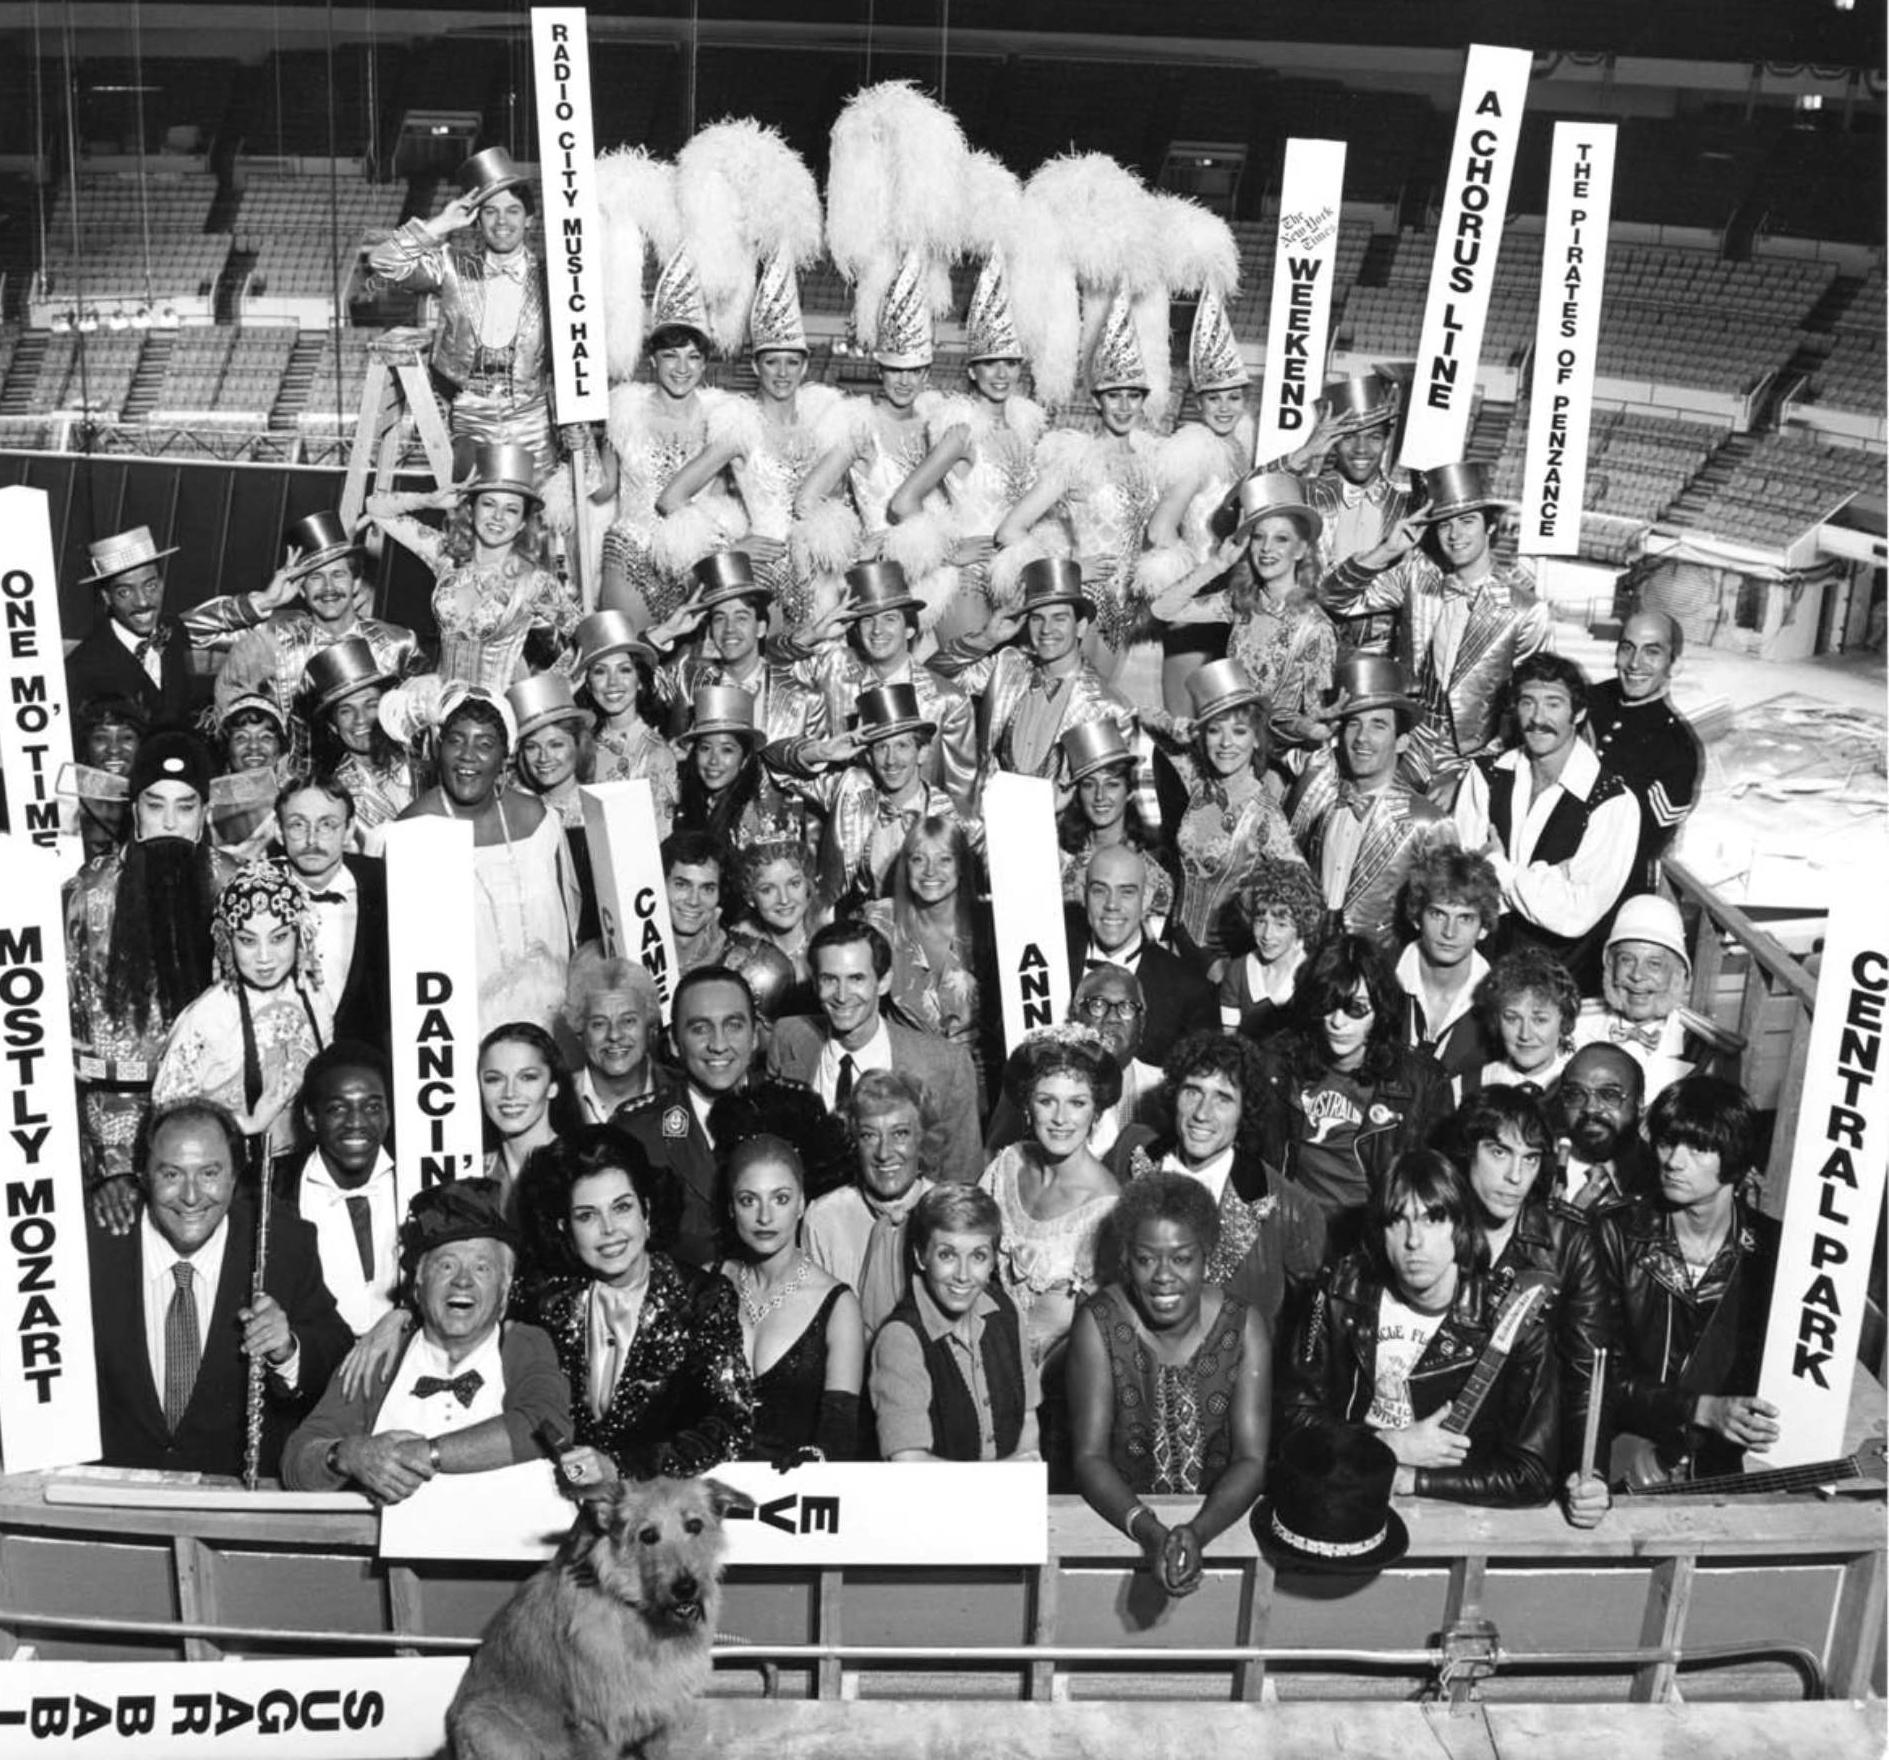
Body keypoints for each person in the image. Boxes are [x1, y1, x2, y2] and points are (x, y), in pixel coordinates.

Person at [89, 1098, 350, 1477]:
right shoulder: (93, 1243)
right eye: (171, 1175)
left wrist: (287, 1348)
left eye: (209, 1173)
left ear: (234, 1176)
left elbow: (335, 1352)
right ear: (142, 1176)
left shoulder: (283, 1243)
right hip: (110, 1501)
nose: (192, 1197)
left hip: (232, 1506)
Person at [1280, 1149, 1557, 1507]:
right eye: (1398, 1221)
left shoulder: (1508, 1318)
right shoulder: (1338, 1296)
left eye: (1431, 1219)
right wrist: (1388, 1444)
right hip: (1350, 1497)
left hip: (1458, 1513)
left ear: (1458, 1227)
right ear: (1380, 1233)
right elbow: (1293, 1423)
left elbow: (1532, 1475)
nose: (1414, 1241)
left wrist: (1415, 1479)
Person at [281, 1178, 572, 1499]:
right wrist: (348, 1455)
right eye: (446, 1265)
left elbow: (545, 1425)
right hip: (392, 1546)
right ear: (418, 1282)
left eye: (482, 1268)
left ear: (503, 1291)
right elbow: (297, 1461)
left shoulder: (521, 1344)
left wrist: (427, 1454)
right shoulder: (380, 1357)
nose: (463, 1281)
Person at [1068, 1171, 1270, 1599]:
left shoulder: (1244, 1324)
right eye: (1146, 1259)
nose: (1163, 1276)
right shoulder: (1099, 1323)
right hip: (1116, 1532)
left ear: (1207, 1257)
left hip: (1223, 1534)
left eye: (1181, 1259)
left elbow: (1252, 1459)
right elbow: (1088, 1457)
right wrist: (1150, 1532)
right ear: (1127, 1259)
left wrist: (1197, 1533)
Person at [65, 729, 236, 1227]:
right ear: (133, 810)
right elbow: (74, 1040)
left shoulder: (237, 887)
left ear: (205, 813)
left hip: (223, 1138)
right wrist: (107, 1169)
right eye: (154, 805)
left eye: (185, 808)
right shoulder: (87, 898)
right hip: (117, 1137)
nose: (168, 822)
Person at [523, 1126, 754, 1484]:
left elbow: (731, 1424)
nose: (609, 1229)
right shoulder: (544, 1300)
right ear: (564, 1227)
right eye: (586, 1216)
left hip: (657, 1512)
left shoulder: (702, 1297)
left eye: (622, 1207)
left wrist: (621, 1467)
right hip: (555, 1508)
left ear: (646, 1211)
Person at [1588, 1077, 1781, 1502]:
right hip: (1623, 1464)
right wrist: (1699, 1409)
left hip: (1729, 1475)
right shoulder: (1615, 1235)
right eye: (1667, 1143)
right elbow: (1596, 1374)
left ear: (1734, 1158)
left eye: (1697, 1148)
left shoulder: (1773, 1252)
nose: (1673, 1161)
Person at [1319, 460, 1553, 793]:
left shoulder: (1525, 610)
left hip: (1472, 757)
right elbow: (1333, 597)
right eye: (1445, 525)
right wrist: (1387, 550)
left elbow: (1526, 708)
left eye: (1467, 522)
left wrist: (1470, 776)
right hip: (1407, 740)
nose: (1455, 535)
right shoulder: (1417, 574)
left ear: (1490, 527)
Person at [654, 254, 855, 631]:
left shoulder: (822, 428)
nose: (782, 373)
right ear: (754, 367)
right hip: (766, 579)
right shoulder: (740, 429)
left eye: (792, 363)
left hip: (822, 575)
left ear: (806, 367)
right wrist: (728, 548)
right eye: (772, 362)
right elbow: (671, 499)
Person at [1437, 1086, 1614, 1512]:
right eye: (1499, 1153)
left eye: (1530, 1158)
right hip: (1433, 1443)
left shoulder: (1568, 1242)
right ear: (1468, 1151)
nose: (1516, 1177)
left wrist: (1589, 1476)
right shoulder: (1429, 1222)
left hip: (1522, 1464)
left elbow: (1586, 1375)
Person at [612, 965, 837, 1270]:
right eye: (700, 1028)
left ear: (755, 1037)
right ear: (675, 1044)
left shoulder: (796, 1111)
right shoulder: (638, 1131)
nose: (718, 1044)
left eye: (733, 1025)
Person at [994, 289, 1162, 679]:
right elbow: (1009, 531)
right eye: (1114, 396)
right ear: (1098, 401)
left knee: (1108, 708)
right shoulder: (1075, 459)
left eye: (1132, 396)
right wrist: (1067, 570)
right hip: (1087, 602)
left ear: (1143, 401)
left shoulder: (1154, 462)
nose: (1123, 406)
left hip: (1132, 607)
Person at [1452, 653, 1640, 992]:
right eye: (1528, 703)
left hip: (1557, 988)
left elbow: (1575, 916)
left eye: (1553, 704)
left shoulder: (1613, 802)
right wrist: (1548, 880)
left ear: (1578, 713)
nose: (1538, 718)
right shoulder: (1484, 777)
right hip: (1477, 977)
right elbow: (1465, 889)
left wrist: (1498, 866)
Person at [888, 252, 1048, 647]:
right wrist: (946, 551)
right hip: (969, 583)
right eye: (990, 364)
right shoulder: (961, 432)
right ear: (973, 370)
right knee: (967, 681)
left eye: (1009, 364)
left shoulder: (1027, 433)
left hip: (1015, 580)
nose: (1001, 374)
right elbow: (904, 501)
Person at [398, 685, 579, 1034]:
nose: (468, 756)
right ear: (438, 748)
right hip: (460, 1036)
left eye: (484, 744)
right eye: (456, 741)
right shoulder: (413, 832)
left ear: (505, 756)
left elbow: (569, 931)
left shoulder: (540, 821)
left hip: (549, 1026)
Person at [1127, 1030, 1328, 1335]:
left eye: (1223, 1098)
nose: (1202, 1113)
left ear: (1244, 1111)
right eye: (1193, 1091)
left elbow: (1306, 1332)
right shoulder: (1128, 1157)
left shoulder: (1293, 1211)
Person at [367, 146, 554, 469]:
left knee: (535, 510)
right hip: (467, 413)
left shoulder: (551, 278)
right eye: (490, 211)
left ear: (530, 221)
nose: (502, 221)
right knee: (466, 511)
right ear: (477, 221)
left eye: (512, 210)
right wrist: (440, 224)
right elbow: (383, 260)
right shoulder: (453, 265)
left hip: (531, 417)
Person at [1247, 934, 1451, 1224]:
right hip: (1290, 1228)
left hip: (1374, 1236)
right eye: (1327, 1005)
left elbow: (1437, 1188)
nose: (1338, 1022)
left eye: (1356, 1009)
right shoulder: (1276, 1064)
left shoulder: (1421, 1081)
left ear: (1380, 1010)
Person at [769, 919, 982, 1185]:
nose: (842, 996)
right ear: (815, 983)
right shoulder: (789, 1037)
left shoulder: (946, 1064)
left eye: (856, 978)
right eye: (829, 979)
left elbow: (962, 1182)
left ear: (883, 982)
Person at [152, 857, 332, 1167]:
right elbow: (166, 1120)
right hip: (232, 1175)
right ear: (227, 942)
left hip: (307, 1168)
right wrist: (247, 1123)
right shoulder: (209, 1016)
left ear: (300, 935)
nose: (264, 957)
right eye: (248, 941)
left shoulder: (315, 995)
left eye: (279, 938)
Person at [1151, 473, 1337, 769]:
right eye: (1259, 537)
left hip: (1277, 760)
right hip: (1229, 747)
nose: (1266, 549)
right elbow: (1163, 609)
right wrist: (1217, 564)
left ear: (1300, 550)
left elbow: (1314, 721)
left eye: (1281, 539)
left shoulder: (1316, 627)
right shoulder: (1240, 603)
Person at [366, 444, 581, 693]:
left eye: (511, 509)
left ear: (522, 523)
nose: (498, 517)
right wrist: (430, 500)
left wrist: (540, 694)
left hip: (495, 720)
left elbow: (589, 638)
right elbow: (375, 508)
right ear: (471, 508)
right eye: (489, 504)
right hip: (441, 713)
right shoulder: (445, 555)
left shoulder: (534, 582)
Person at [212, 511, 421, 761]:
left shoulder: (398, 643)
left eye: (338, 575)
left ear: (356, 583)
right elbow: (189, 632)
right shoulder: (272, 639)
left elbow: (420, 723)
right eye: (315, 578)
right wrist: (265, 600)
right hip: (292, 786)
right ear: (300, 588)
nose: (328, 588)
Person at [595, 273, 743, 627]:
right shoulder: (624, 411)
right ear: (653, 360)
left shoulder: (723, 419)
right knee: (630, 656)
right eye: (671, 356)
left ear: (704, 364)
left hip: (696, 563)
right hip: (631, 556)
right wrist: (582, 441)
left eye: (693, 357)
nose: (682, 368)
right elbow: (602, 489)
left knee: (693, 669)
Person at [775, 562, 979, 817]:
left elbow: (962, 797)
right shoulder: (833, 668)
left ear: (910, 629)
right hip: (841, 833)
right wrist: (813, 635)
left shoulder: (948, 700)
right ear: (856, 630)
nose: (877, 630)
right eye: (867, 620)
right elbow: (765, 671)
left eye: (889, 619)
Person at [929, 558, 1136, 806]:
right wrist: (986, 638)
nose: (1046, 629)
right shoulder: (1007, 665)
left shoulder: (1111, 708)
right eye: (1038, 618)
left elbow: (1107, 797)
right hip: (990, 824)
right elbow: (930, 680)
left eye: (1059, 618)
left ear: (1080, 627)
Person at [978, 1029, 1124, 1368]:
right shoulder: (1007, 1165)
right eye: (1047, 1101)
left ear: (1096, 1111)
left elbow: (1100, 1340)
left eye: (1077, 1102)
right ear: (1028, 1106)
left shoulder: (1107, 1210)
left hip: (1054, 1385)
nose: (1061, 1119)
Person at [1286, 654, 1454, 948]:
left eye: (1378, 725)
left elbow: (1442, 920)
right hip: (1311, 962)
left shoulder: (1429, 823)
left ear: (1401, 741)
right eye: (1354, 724)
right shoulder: (1320, 794)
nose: (1362, 737)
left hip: (1380, 975)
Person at [1137, 287, 1251, 715]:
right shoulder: (1194, 451)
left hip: (1230, 602)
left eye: (1233, 397)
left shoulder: (1240, 448)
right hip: (1196, 603)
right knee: (1184, 722)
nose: (1224, 407)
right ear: (1199, 401)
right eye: (1214, 398)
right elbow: (1159, 529)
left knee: (1222, 720)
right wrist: (1197, 571)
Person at [869, 1184, 1043, 1463]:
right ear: (921, 1256)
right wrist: (1006, 1476)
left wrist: (1021, 1475)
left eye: (978, 1256)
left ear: (992, 1262)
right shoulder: (901, 1338)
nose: (963, 1275)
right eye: (947, 1255)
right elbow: (908, 1463)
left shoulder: (1004, 1311)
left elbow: (1028, 1419)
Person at [1153, 659, 1307, 971]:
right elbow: (1146, 722)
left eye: (1239, 731)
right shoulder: (1199, 784)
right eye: (1214, 731)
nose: (1225, 743)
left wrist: (1258, 945)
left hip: (1223, 966)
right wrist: (1180, 729)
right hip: (1178, 948)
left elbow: (1303, 892)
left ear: (1257, 740)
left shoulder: (1264, 815)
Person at [63, 526, 293, 735]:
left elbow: (211, 619)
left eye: (150, 586)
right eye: (125, 592)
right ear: (106, 598)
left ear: (162, 584)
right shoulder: (81, 666)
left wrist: (266, 600)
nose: (142, 601)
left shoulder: (171, 631)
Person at [719, 1136, 864, 1463]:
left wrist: (814, 1461)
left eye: (780, 1199)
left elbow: (839, 1435)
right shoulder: (706, 1285)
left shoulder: (838, 1306)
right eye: (748, 1200)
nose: (765, 1217)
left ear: (801, 1204)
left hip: (795, 1498)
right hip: (704, 1495)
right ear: (731, 1207)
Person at [768, 682, 961, 911]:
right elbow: (774, 761)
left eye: (902, 745)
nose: (891, 760)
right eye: (881, 748)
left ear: (922, 752)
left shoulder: (945, 814)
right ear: (868, 757)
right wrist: (822, 751)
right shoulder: (852, 791)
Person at [1268, 372, 1416, 657]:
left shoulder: (1407, 507)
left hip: (1380, 659)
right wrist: (1306, 452)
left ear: (1387, 440)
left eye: (1373, 437)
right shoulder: (1305, 495)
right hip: (1303, 646)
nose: (1361, 449)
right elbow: (1249, 500)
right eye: (1350, 438)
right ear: (1333, 440)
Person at [982, 965, 1167, 1176]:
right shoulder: (1035, 1080)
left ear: (1142, 1023)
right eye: (1097, 1005)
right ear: (1075, 1016)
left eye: (1126, 1008)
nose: (1112, 1018)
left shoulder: (1163, 1087)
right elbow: (996, 1162)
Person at [645, 552, 830, 761]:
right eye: (719, 618)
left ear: (761, 628)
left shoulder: (805, 699)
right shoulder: (685, 678)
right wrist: (665, 632)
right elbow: (623, 675)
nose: (729, 629)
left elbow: (819, 782)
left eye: (741, 618)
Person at [862, 816, 995, 1102]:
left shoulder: (990, 924)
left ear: (961, 866)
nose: (930, 871)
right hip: (904, 1084)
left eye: (944, 859)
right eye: (918, 859)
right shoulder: (881, 920)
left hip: (981, 1086)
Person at [804, 1069, 941, 1334]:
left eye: (899, 1133)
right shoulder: (824, 1218)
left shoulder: (945, 1211)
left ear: (922, 1137)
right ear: (854, 1141)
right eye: (869, 1135)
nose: (884, 1152)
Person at [284, 1041, 400, 1337]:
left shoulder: (417, 1180)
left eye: (372, 1107)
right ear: (311, 1118)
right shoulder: (272, 1189)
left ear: (388, 1113)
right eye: (338, 1108)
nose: (357, 1122)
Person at [1065, 844, 1215, 1068]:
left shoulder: (1190, 991)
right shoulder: (1050, 960)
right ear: (1083, 894)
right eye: (1100, 890)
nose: (1112, 905)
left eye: (1126, 892)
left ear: (1146, 899)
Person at [1587, 609, 1703, 899]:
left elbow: (1644, 843)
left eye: (1652, 652)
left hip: (1614, 886)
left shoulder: (1678, 749)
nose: (1634, 663)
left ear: (1674, 665)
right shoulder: (1590, 700)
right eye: (1627, 648)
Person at [1570, 894, 1725, 1103]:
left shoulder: (1700, 1048)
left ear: (1679, 974)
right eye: (1626, 960)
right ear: (1610, 964)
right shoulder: (1572, 1026)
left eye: (1654, 964)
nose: (1637, 975)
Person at [278, 773, 391, 1047]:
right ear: (279, 832)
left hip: (365, 1066)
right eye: (297, 825)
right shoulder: (256, 889)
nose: (312, 839)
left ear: (350, 830)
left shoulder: (386, 885)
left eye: (327, 825)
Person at [1394, 845, 1500, 1095]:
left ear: (1483, 927)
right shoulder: (1381, 979)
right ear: (1417, 916)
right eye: (1438, 914)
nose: (1449, 932)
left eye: (1465, 918)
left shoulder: (1498, 1001)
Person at [1056, 719, 1174, 928]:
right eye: (1089, 785)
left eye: (1111, 785)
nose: (1100, 796)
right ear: (1076, 793)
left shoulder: (1152, 876)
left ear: (1129, 791)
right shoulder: (1061, 862)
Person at [302, 641, 413, 853]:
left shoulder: (421, 765)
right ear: (333, 726)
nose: (360, 720)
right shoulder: (332, 794)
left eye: (370, 705)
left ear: (386, 709)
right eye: (346, 711)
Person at [572, 609, 680, 819]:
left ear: (639, 681)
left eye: (624, 670)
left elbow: (662, 835)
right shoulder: (578, 744)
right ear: (587, 683)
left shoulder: (655, 753)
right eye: (600, 671)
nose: (613, 682)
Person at [672, 686, 798, 857]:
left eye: (727, 750)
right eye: (705, 748)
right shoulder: (683, 800)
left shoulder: (760, 816)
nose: (713, 761)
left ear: (745, 760)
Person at [1217, 857, 1324, 1038]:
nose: (1267, 935)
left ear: (1301, 925)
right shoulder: (1238, 971)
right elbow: (1229, 1042)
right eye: (1260, 921)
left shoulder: (1313, 976)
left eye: (1281, 925)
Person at [477, 1022, 583, 1206]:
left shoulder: (583, 1165)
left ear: (553, 1086)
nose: (510, 1093)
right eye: (494, 1079)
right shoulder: (473, 1174)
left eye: (527, 1077)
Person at [1552, 1044, 1657, 1215]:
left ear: (1639, 1103)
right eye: (1576, 1094)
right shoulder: (1535, 1163)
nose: (1591, 1108)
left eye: (1609, 1095)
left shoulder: (1660, 1177)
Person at [564, 951, 668, 1123]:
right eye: (599, 1023)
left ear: (650, 1027)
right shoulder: (555, 1100)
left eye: (628, 1021)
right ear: (580, 1031)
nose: (614, 1035)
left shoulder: (682, 1092)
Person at [1473, 946, 1582, 1095]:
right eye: (1512, 1019)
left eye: (1540, 1020)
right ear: (1497, 1020)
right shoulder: (1468, 1086)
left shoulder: (1578, 1089)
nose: (1525, 1035)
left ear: (1563, 1020)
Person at [208, 692, 292, 862]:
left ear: (280, 747)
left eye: (266, 737)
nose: (254, 746)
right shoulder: (207, 804)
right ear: (227, 747)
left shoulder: (294, 800)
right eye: (241, 738)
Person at [70, 694, 145, 859]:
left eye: (126, 737)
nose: (114, 749)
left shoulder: (155, 796)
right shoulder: (68, 800)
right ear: (86, 744)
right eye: (100, 738)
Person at [663, 829, 735, 975]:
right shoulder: (625, 950)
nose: (693, 901)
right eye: (681, 885)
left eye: (707, 889)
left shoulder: (739, 963)